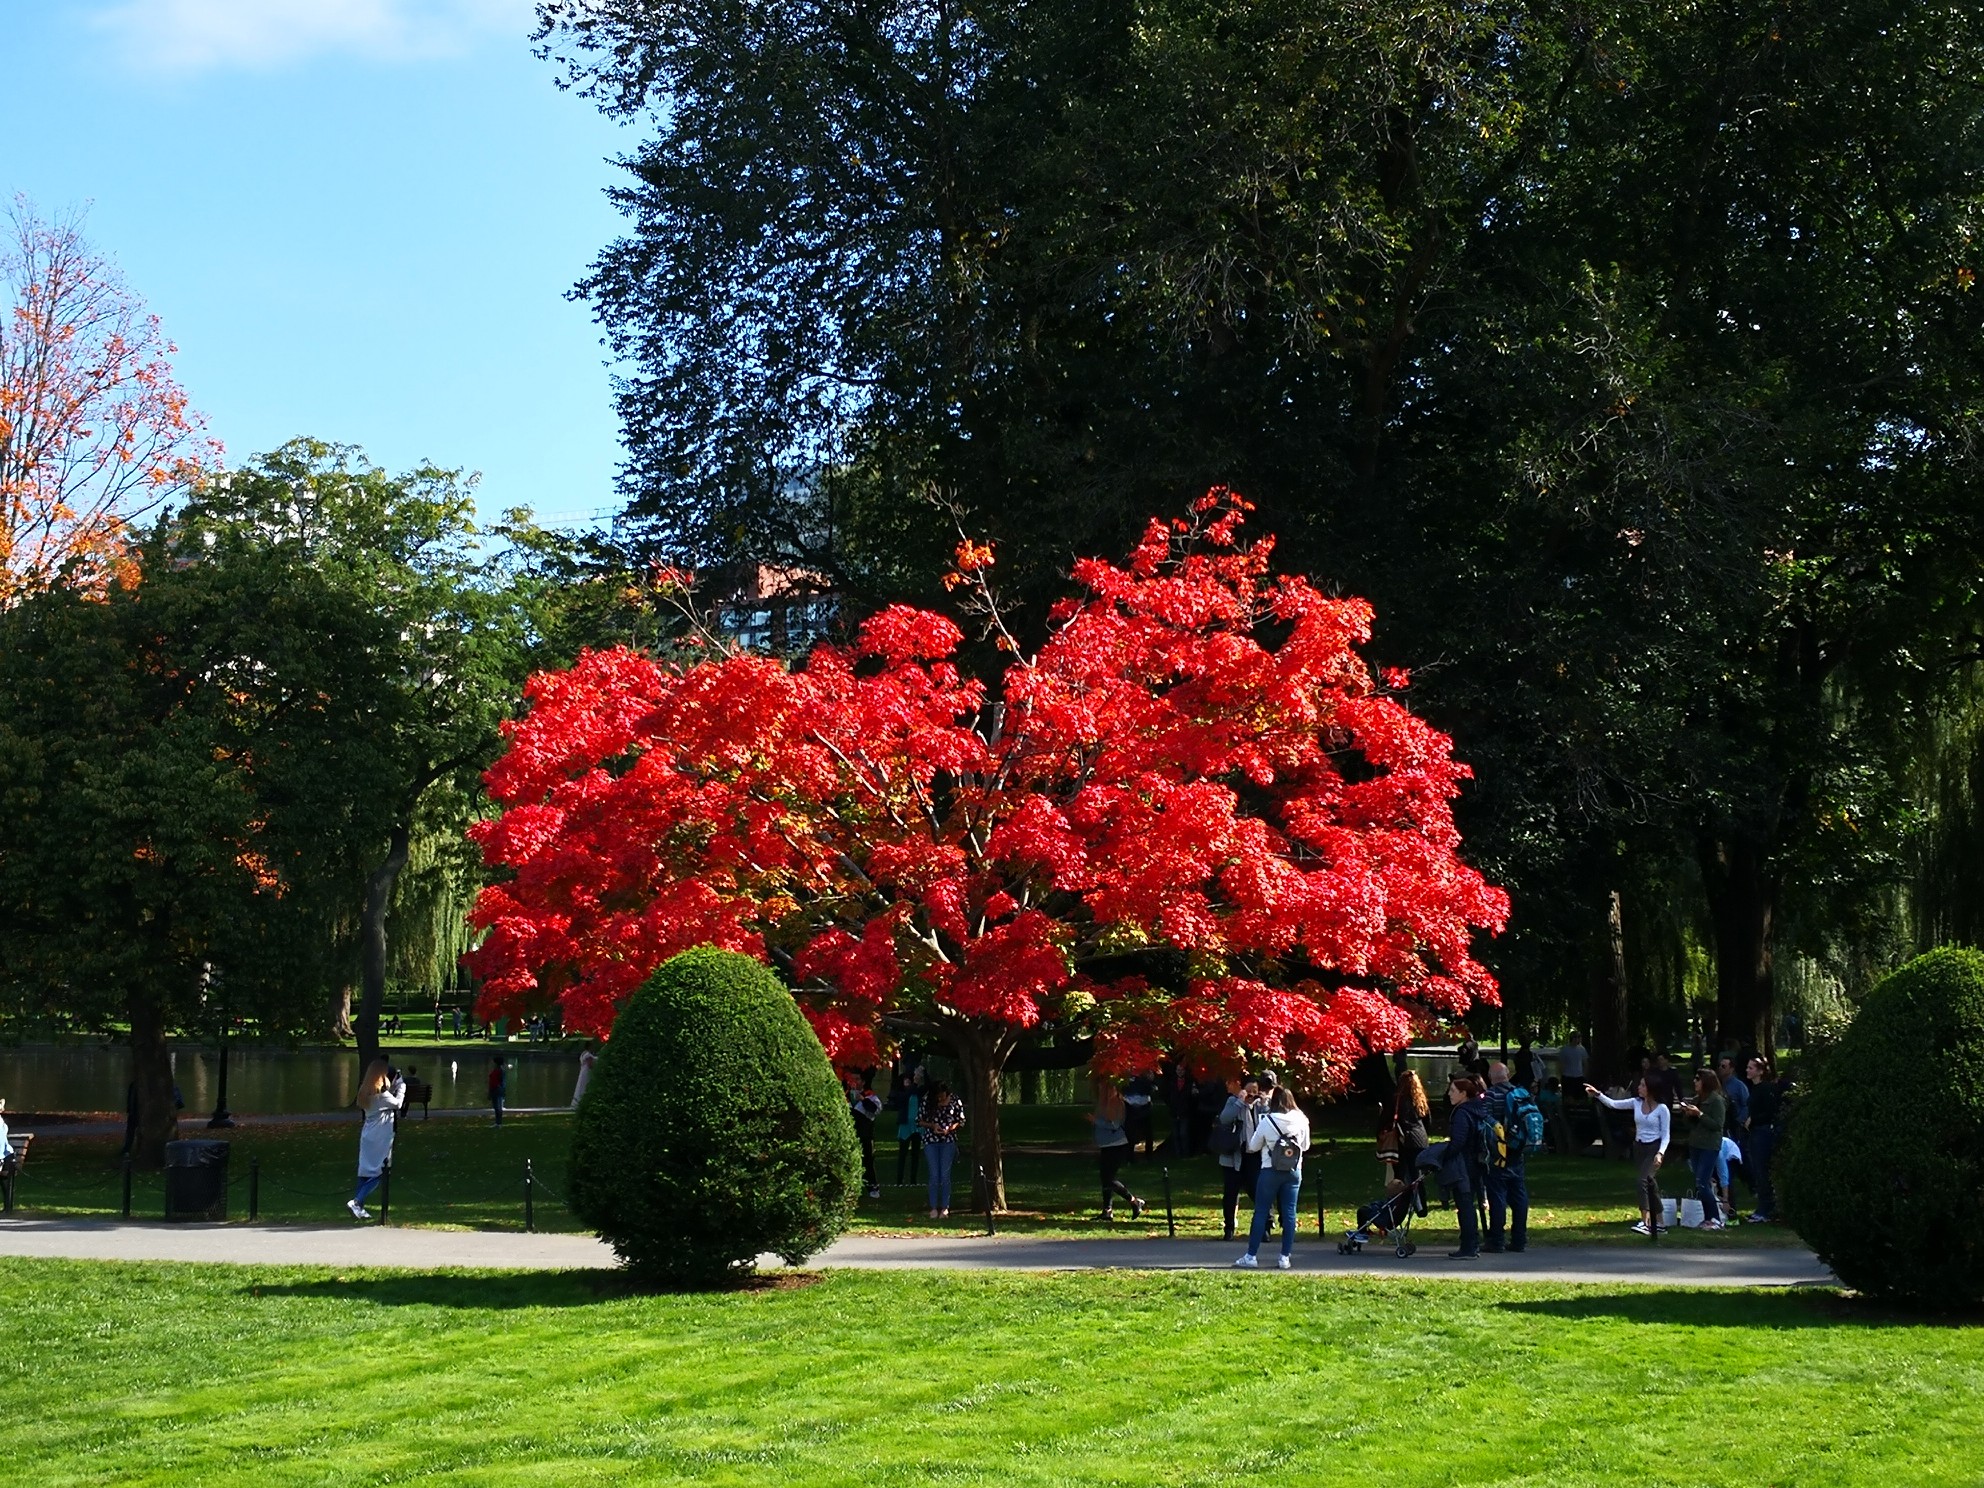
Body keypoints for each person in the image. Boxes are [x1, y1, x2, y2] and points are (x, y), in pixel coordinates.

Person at [1234, 1085, 1311, 1269]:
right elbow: (1306, 1146)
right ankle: (1285, 1257)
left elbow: (1252, 1146)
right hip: (1293, 1170)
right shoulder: (1302, 1120)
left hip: (1270, 1169)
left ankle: (1251, 1255)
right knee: (1290, 1212)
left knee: (1261, 1211)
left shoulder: (1268, 1121)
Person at [1586, 1075, 1671, 1235]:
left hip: (1654, 1148)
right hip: (1639, 1147)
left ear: (1651, 1089)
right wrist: (1598, 1094)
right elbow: (1613, 1105)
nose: (1639, 1087)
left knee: (1642, 1181)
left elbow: (1666, 1135)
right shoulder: (1636, 1103)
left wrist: (1660, 1153)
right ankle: (1660, 1223)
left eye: (1643, 1085)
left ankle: (1645, 1222)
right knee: (1651, 1186)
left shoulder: (1662, 1109)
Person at [1439, 1075, 1491, 1258]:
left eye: (1453, 1091)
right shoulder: (1479, 1109)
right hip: (1477, 1162)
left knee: (1465, 1204)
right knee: (1469, 1203)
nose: (1449, 1094)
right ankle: (1473, 1244)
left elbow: (1458, 1141)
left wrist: (1444, 1155)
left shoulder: (1462, 1112)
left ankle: (1468, 1246)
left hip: (1463, 1164)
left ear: (1463, 1093)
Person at [347, 1058, 405, 1220]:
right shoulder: (382, 1096)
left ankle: (359, 1206)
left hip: (368, 1133)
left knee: (365, 1170)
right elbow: (398, 1104)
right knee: (380, 1171)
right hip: (380, 1135)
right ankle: (357, 1202)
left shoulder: (364, 1092)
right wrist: (401, 1087)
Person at [1483, 1062, 1530, 1253]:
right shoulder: (1522, 1093)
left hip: (1498, 1152)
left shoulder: (1491, 1095)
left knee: (1498, 1196)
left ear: (1490, 1077)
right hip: (1517, 1150)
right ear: (1508, 1075)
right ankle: (1519, 1239)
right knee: (1519, 1195)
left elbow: (1485, 1121)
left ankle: (1497, 1240)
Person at [1088, 1082, 1150, 1221]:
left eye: (1106, 1087)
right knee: (1104, 1177)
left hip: (1116, 1145)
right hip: (1106, 1145)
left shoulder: (1117, 1103)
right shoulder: (1103, 1103)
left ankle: (1134, 1201)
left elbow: (1114, 1124)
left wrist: (1095, 1121)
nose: (1102, 1089)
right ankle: (1107, 1210)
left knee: (1109, 1178)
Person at [1677, 1069, 1728, 1231]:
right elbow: (1690, 1125)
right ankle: (1708, 1218)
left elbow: (1717, 1125)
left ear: (1706, 1081)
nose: (1695, 1081)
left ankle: (1715, 1217)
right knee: (1701, 1182)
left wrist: (1699, 1114)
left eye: (1698, 1079)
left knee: (1702, 1182)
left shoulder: (1716, 1101)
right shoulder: (1698, 1099)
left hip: (1709, 1146)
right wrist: (1686, 1113)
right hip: (1696, 1144)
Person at [1214, 1076, 1260, 1240]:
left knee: (1257, 1192)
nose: (1252, 1096)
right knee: (1231, 1193)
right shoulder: (1233, 1102)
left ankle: (1265, 1227)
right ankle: (1229, 1228)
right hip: (1233, 1156)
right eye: (1249, 1092)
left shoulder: (1259, 1106)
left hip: (1253, 1156)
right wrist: (1240, 1101)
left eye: (1255, 1092)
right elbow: (1225, 1118)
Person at [918, 1081, 965, 1218]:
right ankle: (933, 1207)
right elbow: (919, 1120)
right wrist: (933, 1126)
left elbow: (961, 1120)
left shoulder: (955, 1100)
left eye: (943, 1096)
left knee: (945, 1175)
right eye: (938, 1096)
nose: (941, 1099)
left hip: (948, 1141)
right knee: (934, 1174)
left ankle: (945, 1207)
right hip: (931, 1141)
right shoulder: (927, 1100)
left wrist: (950, 1128)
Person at [1744, 1056, 1782, 1222]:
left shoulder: (1766, 1089)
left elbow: (1770, 1111)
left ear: (1760, 1071)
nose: (1747, 1070)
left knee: (1762, 1170)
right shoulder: (1754, 1088)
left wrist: (1754, 1120)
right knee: (1757, 1170)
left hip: (1763, 1132)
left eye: (1751, 1068)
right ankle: (1763, 1207)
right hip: (1755, 1132)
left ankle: (1766, 1209)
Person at [1387, 1069, 1430, 1190]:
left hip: (1404, 1140)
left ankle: (1402, 1204)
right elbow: (1427, 1120)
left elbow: (1388, 1119)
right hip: (1421, 1139)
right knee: (1417, 1176)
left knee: (1401, 1175)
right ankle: (1421, 1206)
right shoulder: (1421, 1100)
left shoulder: (1397, 1100)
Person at [847, 1069, 883, 1199]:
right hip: (850, 1134)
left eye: (857, 1080)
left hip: (865, 1134)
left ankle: (872, 1187)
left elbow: (875, 1110)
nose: (854, 1082)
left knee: (867, 1161)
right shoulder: (846, 1095)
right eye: (852, 1080)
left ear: (863, 1082)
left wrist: (862, 1099)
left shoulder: (870, 1096)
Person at [893, 1064, 926, 1185]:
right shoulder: (901, 1094)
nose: (907, 1083)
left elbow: (928, 1086)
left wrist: (922, 1072)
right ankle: (899, 1181)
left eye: (909, 1080)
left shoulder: (917, 1092)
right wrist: (915, 1083)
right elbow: (907, 1095)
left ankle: (913, 1180)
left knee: (915, 1155)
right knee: (902, 1154)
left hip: (917, 1126)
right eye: (905, 1081)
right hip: (905, 1125)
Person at [1122, 1073, 1156, 1157]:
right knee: (1130, 1133)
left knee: (1148, 1133)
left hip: (1145, 1108)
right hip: (1130, 1108)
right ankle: (1129, 1156)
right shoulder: (1125, 1078)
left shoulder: (1144, 1076)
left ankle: (1149, 1155)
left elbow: (1150, 1089)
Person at [488, 1055, 507, 1127]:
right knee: (496, 1107)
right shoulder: (498, 1070)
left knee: (498, 1107)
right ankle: (497, 1122)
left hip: (497, 1090)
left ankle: (499, 1123)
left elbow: (499, 1082)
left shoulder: (499, 1071)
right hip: (496, 1089)